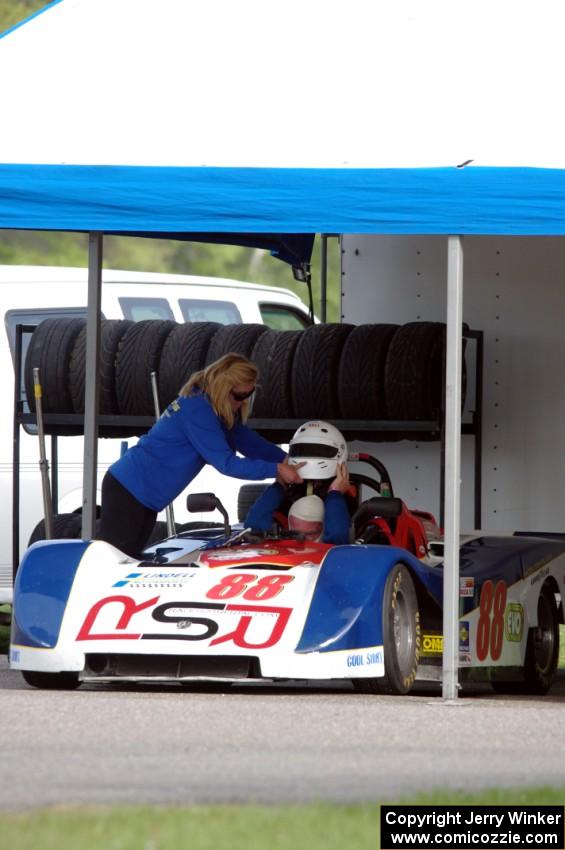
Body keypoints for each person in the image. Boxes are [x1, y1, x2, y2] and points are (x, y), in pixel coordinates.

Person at [98, 353, 303, 556]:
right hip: (129, 490)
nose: (243, 401)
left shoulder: (216, 408)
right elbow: (227, 464)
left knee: (128, 559)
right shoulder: (198, 410)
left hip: (142, 495)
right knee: (115, 563)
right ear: (224, 388)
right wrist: (275, 469)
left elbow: (246, 440)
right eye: (240, 396)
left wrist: (285, 459)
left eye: (248, 395)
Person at [245, 421, 352, 544]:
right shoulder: (286, 495)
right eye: (304, 450)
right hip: (291, 557)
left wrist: (335, 494)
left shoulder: (345, 499)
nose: (312, 458)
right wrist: (279, 486)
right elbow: (252, 531)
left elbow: (338, 539)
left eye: (319, 451)